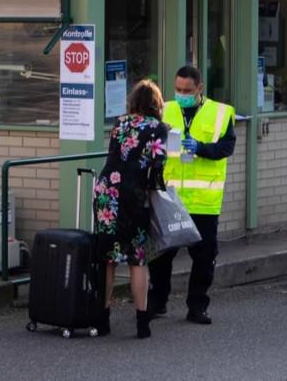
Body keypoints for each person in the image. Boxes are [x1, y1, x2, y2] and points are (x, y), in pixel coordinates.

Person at [148, 65, 236, 325]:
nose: (181, 94)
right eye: (178, 89)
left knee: (205, 256)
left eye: (187, 90)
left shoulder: (220, 113)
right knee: (161, 255)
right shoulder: (166, 109)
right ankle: (158, 301)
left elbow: (226, 147)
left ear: (200, 88)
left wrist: (201, 148)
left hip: (203, 201)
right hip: (170, 197)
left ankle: (197, 306)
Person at [93, 79, 168, 339]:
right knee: (137, 259)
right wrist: (156, 189)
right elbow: (157, 165)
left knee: (108, 258)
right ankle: (142, 322)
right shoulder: (158, 128)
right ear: (156, 103)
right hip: (133, 194)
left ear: (133, 101)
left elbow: (115, 154)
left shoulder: (120, 122)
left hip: (107, 190)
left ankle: (102, 319)